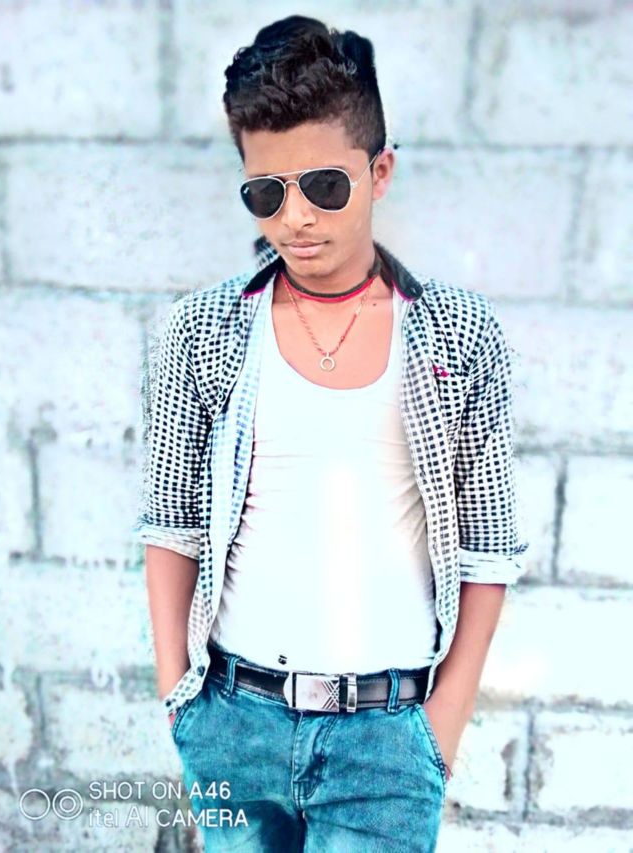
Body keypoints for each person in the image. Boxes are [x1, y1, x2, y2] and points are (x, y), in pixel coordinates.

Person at [135, 14, 529, 853]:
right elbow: (170, 525)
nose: (297, 218)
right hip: (232, 723)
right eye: (266, 193)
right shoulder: (203, 331)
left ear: (380, 172)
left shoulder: (457, 334)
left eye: (324, 185)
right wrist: (180, 702)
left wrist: (441, 727)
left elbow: (490, 549)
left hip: (386, 742)